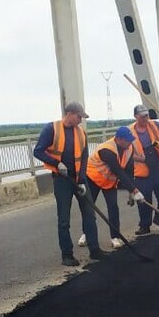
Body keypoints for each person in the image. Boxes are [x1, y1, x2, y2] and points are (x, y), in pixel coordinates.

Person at [33, 101, 99, 267]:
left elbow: (84, 157)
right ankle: (67, 255)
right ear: (69, 113)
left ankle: (95, 249)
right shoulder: (52, 129)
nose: (80, 120)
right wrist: (56, 163)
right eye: (79, 116)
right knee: (64, 219)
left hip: (78, 179)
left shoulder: (81, 133)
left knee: (90, 214)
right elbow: (38, 151)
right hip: (62, 180)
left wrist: (82, 179)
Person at [84, 126, 142, 249]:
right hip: (93, 177)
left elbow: (129, 170)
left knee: (113, 207)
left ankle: (115, 237)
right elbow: (118, 171)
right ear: (119, 139)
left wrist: (131, 191)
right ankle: (86, 233)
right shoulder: (107, 150)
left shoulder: (129, 148)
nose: (130, 143)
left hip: (109, 181)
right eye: (127, 140)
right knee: (89, 207)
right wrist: (135, 190)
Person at [129, 104, 159, 235]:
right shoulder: (130, 131)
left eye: (147, 115)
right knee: (144, 199)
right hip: (141, 166)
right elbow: (126, 152)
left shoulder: (154, 125)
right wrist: (142, 159)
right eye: (143, 116)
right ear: (136, 116)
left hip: (156, 162)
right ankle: (144, 225)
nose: (146, 118)